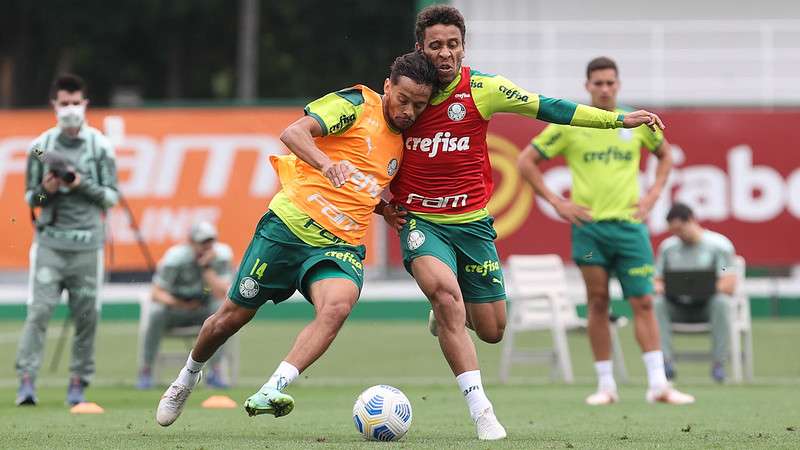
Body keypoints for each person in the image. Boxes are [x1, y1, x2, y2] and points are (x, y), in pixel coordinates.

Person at [377, 5, 670, 439]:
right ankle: (483, 412)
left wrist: (616, 121)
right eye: (435, 45)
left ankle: (445, 316)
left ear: (463, 47)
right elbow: (362, 156)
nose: (445, 54)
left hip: (473, 224)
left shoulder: (483, 88)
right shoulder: (402, 97)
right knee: (445, 293)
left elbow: (548, 106)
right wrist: (381, 204)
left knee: (492, 329)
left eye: (453, 45)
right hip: (423, 222)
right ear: (420, 47)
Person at [154, 51, 438, 427]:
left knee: (337, 306)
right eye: (403, 100)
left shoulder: (405, 141)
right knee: (228, 319)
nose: (409, 111)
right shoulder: (356, 103)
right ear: (388, 87)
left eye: (418, 105)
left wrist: (383, 210)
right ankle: (187, 377)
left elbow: (361, 186)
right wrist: (325, 164)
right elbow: (293, 133)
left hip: (341, 245)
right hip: (288, 228)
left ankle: (274, 386)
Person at [519, 56, 694, 405]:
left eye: (610, 83)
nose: (604, 89)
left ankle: (658, 385)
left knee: (644, 301)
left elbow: (666, 154)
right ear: (587, 86)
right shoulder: (571, 123)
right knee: (597, 302)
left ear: (618, 84)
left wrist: (654, 195)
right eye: (597, 83)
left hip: (630, 228)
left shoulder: (636, 122)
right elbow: (526, 161)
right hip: (590, 231)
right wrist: (557, 202)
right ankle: (605, 385)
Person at [15, 74, 119, 406]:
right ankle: (27, 382)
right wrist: (48, 191)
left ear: (85, 104)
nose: (71, 109)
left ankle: (78, 383)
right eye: (65, 103)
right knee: (39, 312)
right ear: (54, 105)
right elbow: (32, 201)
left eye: (76, 103)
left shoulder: (100, 146)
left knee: (87, 315)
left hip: (88, 245)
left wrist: (79, 184)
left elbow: (110, 198)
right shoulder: (41, 147)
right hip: (50, 244)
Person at [136, 221, 234, 389]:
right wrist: (180, 304)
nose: (207, 246)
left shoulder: (222, 256)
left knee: (220, 310)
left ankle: (216, 372)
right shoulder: (175, 258)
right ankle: (146, 370)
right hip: (176, 309)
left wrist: (206, 268)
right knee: (156, 312)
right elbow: (157, 292)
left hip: (204, 312)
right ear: (191, 242)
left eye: (210, 242)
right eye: (202, 242)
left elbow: (222, 293)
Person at [654, 203, 736, 383]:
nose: (678, 235)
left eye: (680, 229)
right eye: (673, 231)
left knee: (721, 302)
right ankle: (665, 363)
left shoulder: (718, 246)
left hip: (707, 306)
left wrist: (704, 288)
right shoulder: (668, 249)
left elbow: (728, 280)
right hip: (677, 306)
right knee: (657, 304)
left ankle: (718, 363)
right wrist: (660, 288)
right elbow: (658, 279)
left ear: (691, 220)